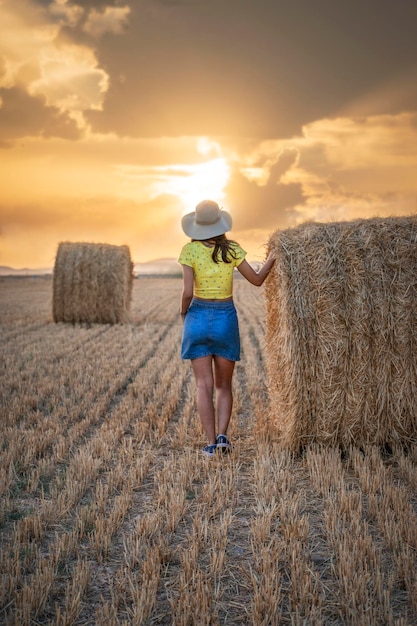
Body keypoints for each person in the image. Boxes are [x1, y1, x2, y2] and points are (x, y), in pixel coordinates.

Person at [178, 199, 275, 457]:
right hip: (225, 318)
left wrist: (184, 314)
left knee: (203, 385)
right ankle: (222, 438)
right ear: (220, 224)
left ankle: (210, 445)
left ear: (196, 226)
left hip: (197, 316)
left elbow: (187, 292)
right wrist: (272, 258)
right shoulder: (232, 250)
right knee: (224, 385)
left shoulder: (190, 252)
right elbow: (256, 280)